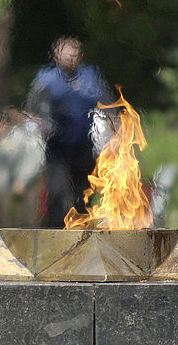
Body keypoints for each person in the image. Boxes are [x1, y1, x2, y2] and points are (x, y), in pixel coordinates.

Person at [25, 37, 116, 227]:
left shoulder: (91, 77)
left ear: (80, 56)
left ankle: (81, 229)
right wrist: (39, 125)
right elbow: (32, 110)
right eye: (66, 56)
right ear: (56, 56)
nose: (71, 60)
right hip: (57, 145)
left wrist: (115, 131)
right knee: (58, 190)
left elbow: (110, 107)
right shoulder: (46, 79)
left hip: (84, 144)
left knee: (83, 192)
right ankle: (54, 229)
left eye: (74, 56)